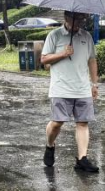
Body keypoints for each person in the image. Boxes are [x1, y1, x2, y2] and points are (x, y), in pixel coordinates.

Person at [41, 11, 100, 173]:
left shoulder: (86, 36)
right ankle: (50, 145)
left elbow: (92, 60)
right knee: (57, 123)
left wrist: (94, 84)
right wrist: (63, 53)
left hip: (82, 88)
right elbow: (44, 60)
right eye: (76, 18)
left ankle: (82, 159)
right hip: (61, 88)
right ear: (66, 18)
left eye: (82, 18)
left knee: (82, 123)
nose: (79, 21)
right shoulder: (54, 35)